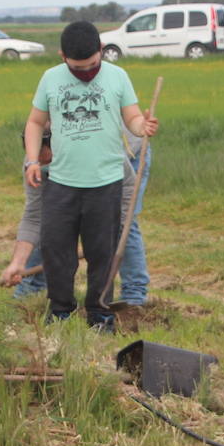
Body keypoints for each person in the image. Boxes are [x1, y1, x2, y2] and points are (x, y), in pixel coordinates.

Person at [23, 21, 158, 331]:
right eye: (78, 68)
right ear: (62, 57)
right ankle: (60, 312)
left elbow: (133, 118)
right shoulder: (50, 79)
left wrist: (143, 127)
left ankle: (100, 316)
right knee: (57, 253)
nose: (87, 72)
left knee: (102, 255)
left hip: (105, 182)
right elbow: (34, 122)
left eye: (93, 65)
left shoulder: (117, 76)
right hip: (62, 182)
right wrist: (32, 160)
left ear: (101, 51)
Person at [0, 125, 150, 305]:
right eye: (36, 160)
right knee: (51, 223)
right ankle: (30, 288)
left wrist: (113, 229)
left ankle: (134, 294)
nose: (41, 164)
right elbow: (35, 216)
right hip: (74, 165)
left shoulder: (98, 150)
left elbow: (128, 192)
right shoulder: (34, 163)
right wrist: (18, 262)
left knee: (123, 225)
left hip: (126, 156)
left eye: (47, 160)